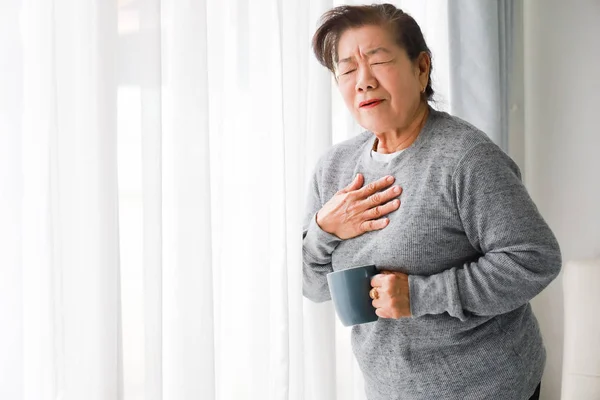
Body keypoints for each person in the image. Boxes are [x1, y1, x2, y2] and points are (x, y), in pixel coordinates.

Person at [302, 4, 560, 400]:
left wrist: (420, 294)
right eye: (347, 70)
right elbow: (314, 287)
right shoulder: (333, 169)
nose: (363, 82)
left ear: (421, 68)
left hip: (489, 387)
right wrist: (324, 230)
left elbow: (535, 258)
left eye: (379, 61)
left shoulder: (466, 158)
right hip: (389, 390)